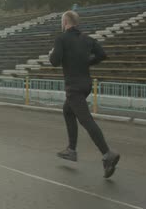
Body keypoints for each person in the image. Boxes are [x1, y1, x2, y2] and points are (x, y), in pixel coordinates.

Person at [49, 10, 120, 178]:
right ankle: (71, 149)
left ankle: (107, 154)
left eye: (62, 22)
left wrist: (52, 53)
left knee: (85, 119)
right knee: (68, 111)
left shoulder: (62, 38)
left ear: (65, 22)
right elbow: (102, 55)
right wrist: (88, 62)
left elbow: (54, 61)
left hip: (73, 86)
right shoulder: (88, 39)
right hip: (85, 84)